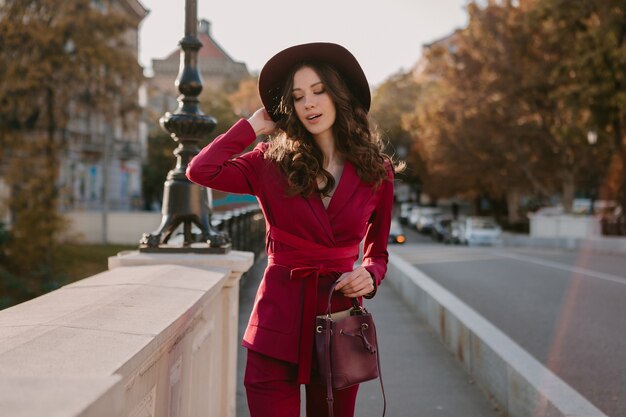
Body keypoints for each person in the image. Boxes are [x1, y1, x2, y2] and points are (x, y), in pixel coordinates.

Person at [186, 42, 397, 417]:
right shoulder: (268, 161)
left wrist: (371, 275)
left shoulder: (376, 171)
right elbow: (201, 170)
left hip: (338, 318)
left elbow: (377, 252)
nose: (310, 104)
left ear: (339, 96)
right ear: (290, 107)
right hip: (276, 321)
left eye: (319, 91)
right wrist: (251, 127)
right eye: (298, 97)